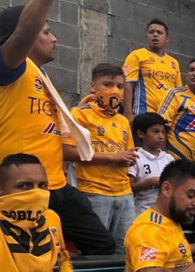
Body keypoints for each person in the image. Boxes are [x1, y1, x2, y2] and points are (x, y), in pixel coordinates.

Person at [0, 2, 115, 254]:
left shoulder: (42, 77)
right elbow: (21, 35)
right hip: (24, 189)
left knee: (104, 246)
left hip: (58, 186)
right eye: (45, 31)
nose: (54, 38)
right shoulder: (9, 69)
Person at [64, 63, 137, 255]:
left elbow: (126, 151)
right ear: (92, 86)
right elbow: (67, 152)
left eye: (120, 86)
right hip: (94, 192)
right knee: (98, 251)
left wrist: (128, 159)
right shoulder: (78, 115)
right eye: (107, 84)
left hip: (125, 194)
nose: (115, 90)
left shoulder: (122, 121)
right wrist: (111, 157)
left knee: (127, 251)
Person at [0, 154, 76, 272]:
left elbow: (63, 258)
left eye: (42, 186)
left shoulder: (51, 218)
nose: (37, 193)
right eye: (24, 186)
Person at [123, 19, 182, 121]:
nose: (155, 35)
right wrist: (128, 114)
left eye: (159, 32)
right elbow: (127, 85)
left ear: (167, 39)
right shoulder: (136, 55)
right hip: (143, 114)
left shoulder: (174, 63)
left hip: (167, 118)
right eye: (151, 32)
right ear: (147, 36)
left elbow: (178, 92)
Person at [158, 57, 195, 164]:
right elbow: (160, 125)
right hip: (175, 163)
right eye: (192, 70)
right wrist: (162, 159)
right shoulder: (176, 94)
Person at [129, 113, 175, 215]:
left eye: (163, 132)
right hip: (143, 212)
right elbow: (128, 189)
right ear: (141, 134)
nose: (161, 136)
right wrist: (150, 182)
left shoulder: (169, 159)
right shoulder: (135, 157)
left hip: (167, 214)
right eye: (156, 131)